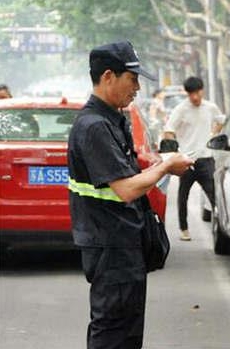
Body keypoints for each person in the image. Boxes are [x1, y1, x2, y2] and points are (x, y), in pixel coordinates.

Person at [67, 41, 194, 349]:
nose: (137, 87)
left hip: (122, 245)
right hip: (110, 247)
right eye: (132, 79)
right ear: (108, 76)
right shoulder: (94, 126)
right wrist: (165, 167)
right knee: (113, 332)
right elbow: (125, 189)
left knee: (127, 332)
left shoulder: (113, 120)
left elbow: (128, 176)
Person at [163, 76, 224, 241]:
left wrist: (214, 133)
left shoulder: (210, 107)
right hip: (187, 161)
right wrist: (173, 151)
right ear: (187, 94)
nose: (195, 97)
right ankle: (184, 229)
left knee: (214, 196)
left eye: (197, 93)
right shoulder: (181, 109)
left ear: (201, 91)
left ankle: (221, 229)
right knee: (183, 196)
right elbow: (169, 129)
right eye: (191, 94)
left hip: (206, 159)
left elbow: (220, 120)